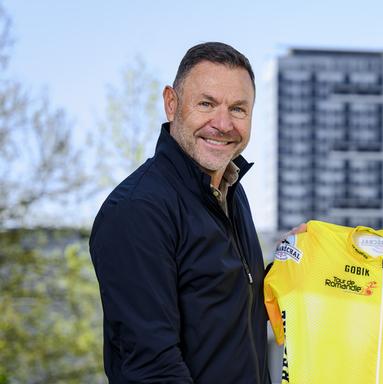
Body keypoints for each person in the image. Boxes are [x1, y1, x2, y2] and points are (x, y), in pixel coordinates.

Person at [89, 42, 269, 383]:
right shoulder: (137, 211)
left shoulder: (231, 191)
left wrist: (294, 265)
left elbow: (230, 301)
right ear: (172, 103)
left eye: (239, 109)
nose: (223, 123)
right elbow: (151, 369)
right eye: (206, 103)